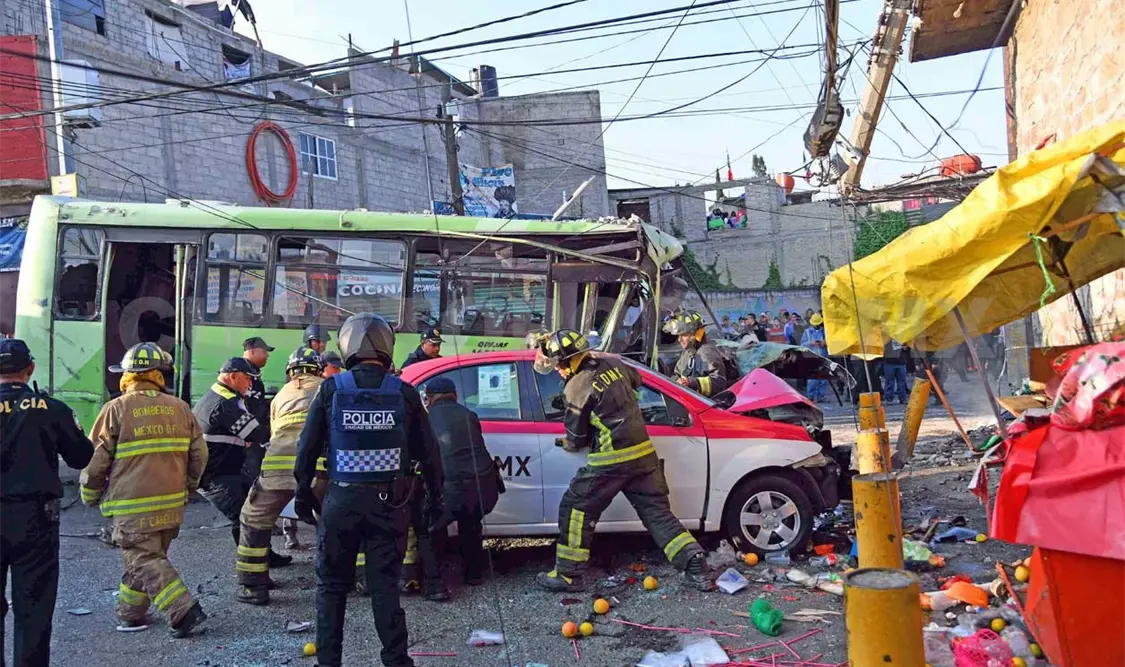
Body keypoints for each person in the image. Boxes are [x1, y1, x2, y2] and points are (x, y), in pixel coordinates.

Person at [293, 312, 442, 667]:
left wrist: (302, 493)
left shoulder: (331, 389)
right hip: (389, 503)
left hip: (341, 500)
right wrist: (436, 498)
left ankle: (328, 662)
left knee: (331, 587)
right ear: (388, 347)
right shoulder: (404, 392)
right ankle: (396, 660)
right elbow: (430, 453)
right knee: (384, 587)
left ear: (345, 347)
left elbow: (307, 448)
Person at [531, 330, 711, 592]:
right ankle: (694, 562)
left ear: (571, 360)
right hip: (643, 453)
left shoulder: (576, 387)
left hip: (611, 460)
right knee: (657, 514)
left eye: (559, 364)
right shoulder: (614, 363)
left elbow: (575, 438)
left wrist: (566, 442)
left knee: (576, 507)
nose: (558, 370)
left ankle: (568, 575)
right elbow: (635, 383)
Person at [80, 343, 209, 637]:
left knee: (143, 558)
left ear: (128, 375)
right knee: (147, 558)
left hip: (132, 506)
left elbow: (96, 460)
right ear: (158, 375)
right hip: (172, 505)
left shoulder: (115, 409)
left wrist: (89, 493)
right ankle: (130, 613)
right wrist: (189, 486)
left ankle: (182, 609)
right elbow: (200, 455)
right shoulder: (181, 408)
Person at [0, 339, 93, 667]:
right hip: (34, 519)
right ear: (30, 369)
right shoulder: (52, 409)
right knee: (34, 605)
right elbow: (82, 456)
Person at [235, 347, 324, 605]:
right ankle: (350, 577)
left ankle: (254, 586)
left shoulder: (280, 396)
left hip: (276, 471)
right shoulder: (328, 389)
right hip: (319, 469)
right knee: (338, 517)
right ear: (317, 368)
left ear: (290, 370)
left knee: (253, 518)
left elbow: (274, 433)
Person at [193, 358, 289, 569]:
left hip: (227, 470)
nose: (251, 384)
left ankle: (265, 555)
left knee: (255, 509)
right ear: (232, 376)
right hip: (218, 476)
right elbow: (257, 432)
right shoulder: (225, 404)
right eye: (247, 378)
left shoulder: (215, 396)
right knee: (244, 518)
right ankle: (251, 568)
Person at [422, 376, 501, 586]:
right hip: (483, 486)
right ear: (455, 395)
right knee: (471, 524)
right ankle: (473, 574)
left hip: (450, 488)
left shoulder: (426, 418)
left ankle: (435, 584)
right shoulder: (469, 414)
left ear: (429, 399)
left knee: (433, 528)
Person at [664, 310, 736, 397]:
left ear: (696, 334)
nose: (680, 340)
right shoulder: (687, 352)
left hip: (705, 405)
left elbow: (719, 382)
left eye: (684, 335)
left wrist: (693, 383)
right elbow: (677, 374)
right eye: (679, 336)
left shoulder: (706, 352)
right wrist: (675, 381)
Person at [240, 337, 273, 487]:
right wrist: (245, 432)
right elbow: (240, 403)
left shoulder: (252, 372)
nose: (267, 355)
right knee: (252, 471)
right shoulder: (242, 372)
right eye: (264, 352)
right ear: (252, 352)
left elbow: (255, 402)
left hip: (254, 431)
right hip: (248, 433)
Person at [800, 315, 829, 402]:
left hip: (823, 357)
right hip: (811, 358)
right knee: (812, 379)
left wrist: (824, 343)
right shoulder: (807, 332)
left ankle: (821, 397)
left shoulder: (825, 331)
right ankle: (810, 397)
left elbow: (830, 343)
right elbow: (802, 344)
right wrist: (810, 343)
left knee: (823, 378)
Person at [882, 339, 912, 405]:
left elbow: (909, 347)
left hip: (898, 362)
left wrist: (906, 348)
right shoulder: (887, 337)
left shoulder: (904, 337)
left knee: (899, 382)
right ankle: (891, 398)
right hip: (891, 362)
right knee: (893, 381)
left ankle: (900, 398)